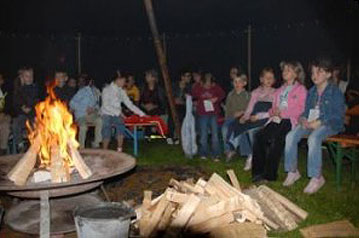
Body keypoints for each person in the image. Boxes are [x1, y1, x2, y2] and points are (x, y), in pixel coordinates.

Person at [283, 58, 345, 194]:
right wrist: (303, 119)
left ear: (328, 74)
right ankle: (292, 171)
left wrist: (319, 122)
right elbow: (305, 111)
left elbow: (337, 115)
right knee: (290, 135)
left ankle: (316, 177)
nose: (314, 75)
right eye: (312, 72)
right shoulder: (311, 92)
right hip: (311, 123)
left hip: (330, 124)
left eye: (319, 72)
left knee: (314, 138)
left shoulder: (335, 92)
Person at [251, 61, 307, 183]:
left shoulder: (300, 89)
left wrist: (283, 113)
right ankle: (258, 173)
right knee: (259, 136)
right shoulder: (279, 90)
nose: (284, 72)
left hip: (289, 120)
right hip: (276, 119)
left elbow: (301, 109)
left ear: (296, 73)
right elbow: (272, 108)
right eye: (284, 70)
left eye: (288, 70)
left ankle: (269, 176)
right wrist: (273, 111)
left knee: (276, 140)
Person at [225, 67, 276, 166]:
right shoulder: (256, 92)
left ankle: (251, 154)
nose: (269, 80)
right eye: (266, 77)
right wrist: (245, 117)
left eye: (271, 78)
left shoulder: (276, 93)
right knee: (236, 122)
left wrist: (258, 117)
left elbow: (274, 110)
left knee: (250, 130)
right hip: (255, 115)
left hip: (267, 118)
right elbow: (250, 107)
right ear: (261, 79)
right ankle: (236, 147)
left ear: (274, 80)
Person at [101, 74, 145, 152]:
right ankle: (104, 151)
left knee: (120, 123)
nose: (124, 83)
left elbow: (129, 104)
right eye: (123, 81)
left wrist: (142, 114)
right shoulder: (106, 89)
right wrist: (119, 113)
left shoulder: (121, 91)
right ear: (117, 80)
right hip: (106, 113)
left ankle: (119, 149)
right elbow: (106, 105)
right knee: (106, 125)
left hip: (117, 114)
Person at [192, 73, 225, 160]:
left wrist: (216, 99)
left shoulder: (216, 87)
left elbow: (222, 95)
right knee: (203, 135)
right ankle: (203, 153)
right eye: (206, 84)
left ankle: (216, 154)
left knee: (215, 134)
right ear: (202, 82)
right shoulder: (197, 87)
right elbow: (193, 96)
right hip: (202, 114)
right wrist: (195, 101)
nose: (207, 86)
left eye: (209, 84)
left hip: (214, 114)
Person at [12, 67, 40, 152]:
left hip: (33, 114)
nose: (29, 78)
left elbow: (37, 100)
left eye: (31, 76)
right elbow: (16, 102)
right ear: (22, 78)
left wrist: (31, 107)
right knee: (15, 124)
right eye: (27, 76)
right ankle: (20, 145)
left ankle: (36, 146)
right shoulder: (18, 89)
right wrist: (22, 106)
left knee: (36, 125)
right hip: (22, 115)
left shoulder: (35, 88)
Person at [69, 77, 102, 149]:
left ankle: (96, 143)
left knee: (100, 120)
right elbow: (72, 103)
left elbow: (96, 105)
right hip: (81, 115)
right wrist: (84, 109)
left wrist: (94, 109)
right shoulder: (82, 91)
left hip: (91, 115)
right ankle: (81, 147)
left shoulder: (95, 91)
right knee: (83, 127)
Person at [222, 74, 250, 155]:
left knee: (240, 128)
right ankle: (228, 151)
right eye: (235, 82)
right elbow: (228, 109)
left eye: (239, 82)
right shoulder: (230, 95)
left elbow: (250, 109)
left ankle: (244, 152)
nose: (237, 84)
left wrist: (242, 112)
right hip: (231, 117)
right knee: (224, 128)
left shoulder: (248, 95)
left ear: (244, 83)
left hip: (244, 118)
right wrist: (228, 118)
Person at [167, 70, 192, 145]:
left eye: (189, 76)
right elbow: (168, 95)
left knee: (182, 117)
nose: (189, 78)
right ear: (182, 77)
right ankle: (170, 137)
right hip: (173, 105)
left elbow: (189, 99)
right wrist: (174, 100)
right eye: (187, 76)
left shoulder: (189, 87)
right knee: (172, 117)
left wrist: (183, 101)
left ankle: (179, 137)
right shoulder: (174, 85)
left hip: (182, 106)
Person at [0, 74, 11, 155]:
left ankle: (3, 150)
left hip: (4, 115)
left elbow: (10, 105)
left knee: (5, 125)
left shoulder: (6, 91)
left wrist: (5, 112)